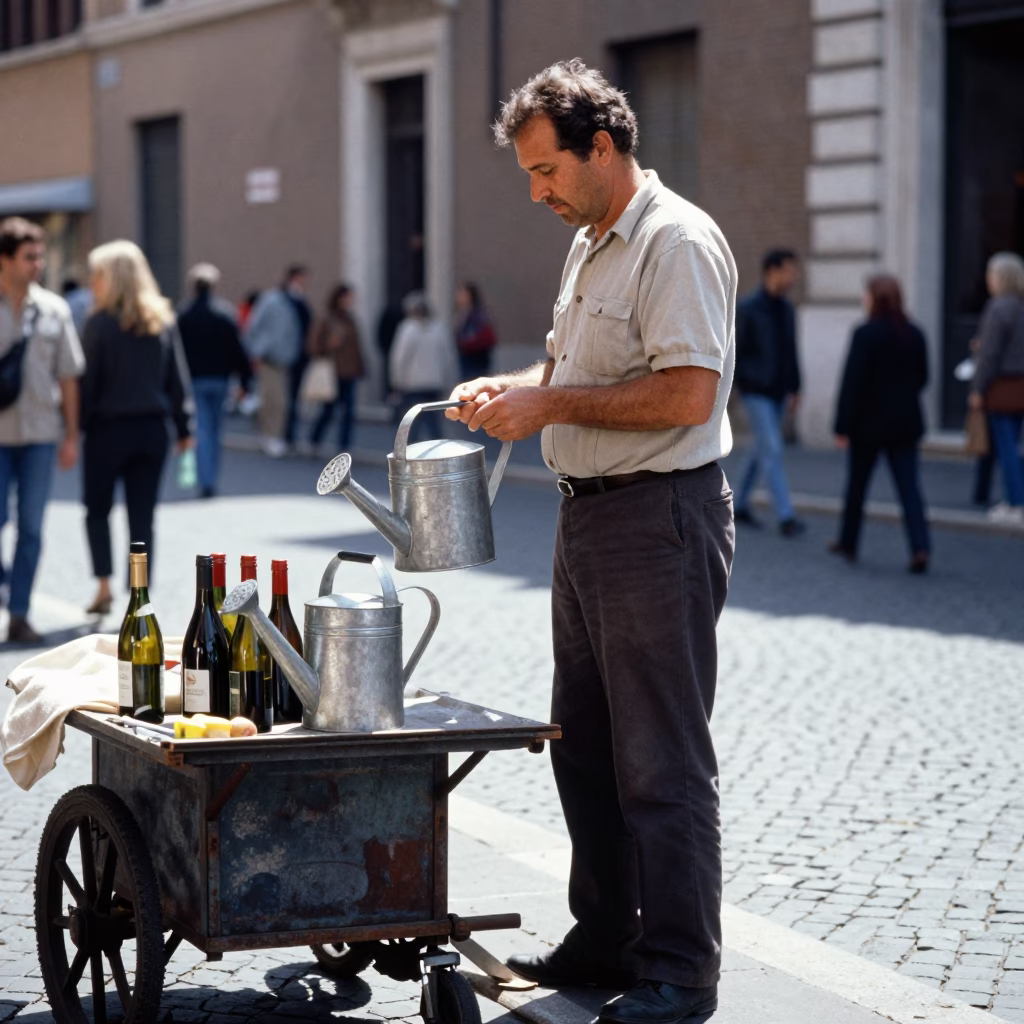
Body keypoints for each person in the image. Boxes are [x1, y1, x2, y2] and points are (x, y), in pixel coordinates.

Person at [446, 61, 736, 1024]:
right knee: (586, 749)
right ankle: (607, 934)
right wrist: (514, 388)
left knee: (661, 758)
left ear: (601, 148)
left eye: (545, 170)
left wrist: (552, 402)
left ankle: (681, 970)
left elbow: (690, 391)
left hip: (658, 520)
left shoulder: (676, 241)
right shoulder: (591, 241)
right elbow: (583, 368)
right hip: (590, 519)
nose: (537, 192)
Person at [80, 241, 192, 615]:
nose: (92, 282)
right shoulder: (160, 320)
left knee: (97, 510)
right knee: (142, 519)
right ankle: (138, 599)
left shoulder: (97, 325)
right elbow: (176, 380)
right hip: (151, 431)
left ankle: (103, 587)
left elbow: (88, 385)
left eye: (97, 274)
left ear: (109, 278)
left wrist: (73, 429)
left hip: (106, 431)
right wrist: (184, 427)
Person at [0, 218, 84, 644]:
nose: (38, 263)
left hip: (39, 435)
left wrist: (71, 435)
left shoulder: (55, 309)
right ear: (5, 260)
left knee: (31, 528)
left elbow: (69, 376)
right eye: (29, 256)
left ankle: (19, 613)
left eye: (41, 255)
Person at [830, 275, 931, 572]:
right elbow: (924, 378)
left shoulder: (865, 334)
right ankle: (921, 547)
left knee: (857, 487)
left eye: (867, 294)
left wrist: (842, 427)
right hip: (905, 424)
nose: (865, 299)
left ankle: (848, 543)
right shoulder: (915, 333)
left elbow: (852, 384)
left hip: (868, 426)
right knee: (909, 488)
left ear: (875, 298)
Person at [732, 248, 805, 536]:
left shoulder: (787, 309)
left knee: (761, 447)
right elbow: (736, 349)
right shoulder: (749, 307)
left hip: (778, 392)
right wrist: (743, 384)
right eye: (789, 269)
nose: (793, 276)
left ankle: (739, 505)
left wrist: (796, 388)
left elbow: (792, 352)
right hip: (755, 392)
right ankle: (786, 515)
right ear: (771, 271)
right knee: (772, 448)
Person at [177, 263, 253, 497]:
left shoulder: (184, 315)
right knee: (215, 430)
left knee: (201, 430)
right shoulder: (224, 314)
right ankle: (210, 479)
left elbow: (174, 352)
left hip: (194, 380)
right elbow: (238, 349)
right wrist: (244, 381)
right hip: (220, 379)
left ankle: (205, 478)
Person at [969, 251, 1024, 526]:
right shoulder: (1019, 305)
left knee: (1006, 448)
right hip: (1020, 383)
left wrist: (977, 389)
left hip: (1002, 385)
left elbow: (989, 355)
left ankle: (1016, 502)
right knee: (1013, 445)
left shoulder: (999, 307)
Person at [245, 265, 310, 457]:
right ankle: (270, 435)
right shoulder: (273, 300)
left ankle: (277, 434)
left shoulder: (297, 300)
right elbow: (255, 326)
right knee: (274, 400)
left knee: (282, 400)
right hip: (271, 357)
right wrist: (259, 349)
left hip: (290, 358)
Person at [308, 283, 365, 453]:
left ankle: (344, 446)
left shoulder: (351, 319)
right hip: (332, 372)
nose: (351, 301)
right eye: (348, 297)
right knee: (328, 410)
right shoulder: (327, 319)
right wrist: (329, 345)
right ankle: (315, 439)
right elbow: (313, 345)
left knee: (348, 412)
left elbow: (356, 347)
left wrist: (360, 367)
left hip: (349, 372)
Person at [389, 292, 452, 444]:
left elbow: (399, 358)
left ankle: (409, 457)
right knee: (434, 423)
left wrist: (396, 382)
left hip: (413, 384)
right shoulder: (439, 329)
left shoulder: (407, 329)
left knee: (412, 424)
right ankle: (440, 452)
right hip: (434, 382)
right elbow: (448, 357)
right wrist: (448, 380)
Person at [455, 281, 498, 380]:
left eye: (462, 293)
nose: (459, 296)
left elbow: (486, 336)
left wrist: (467, 343)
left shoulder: (477, 316)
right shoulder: (462, 315)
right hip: (466, 359)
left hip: (476, 360)